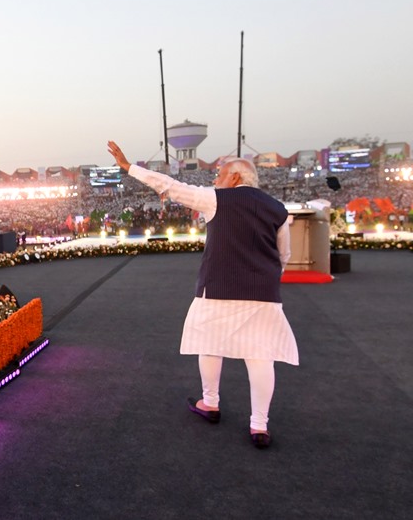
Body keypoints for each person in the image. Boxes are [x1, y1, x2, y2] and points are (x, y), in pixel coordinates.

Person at [107, 140, 298, 449]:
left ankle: (210, 403)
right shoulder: (278, 209)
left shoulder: (216, 200)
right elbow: (284, 255)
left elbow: (170, 185)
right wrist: (266, 280)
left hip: (218, 289)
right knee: (261, 355)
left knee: (210, 343)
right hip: (263, 293)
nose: (214, 179)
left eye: (219, 174)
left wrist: (129, 168)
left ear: (235, 177)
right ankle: (259, 426)